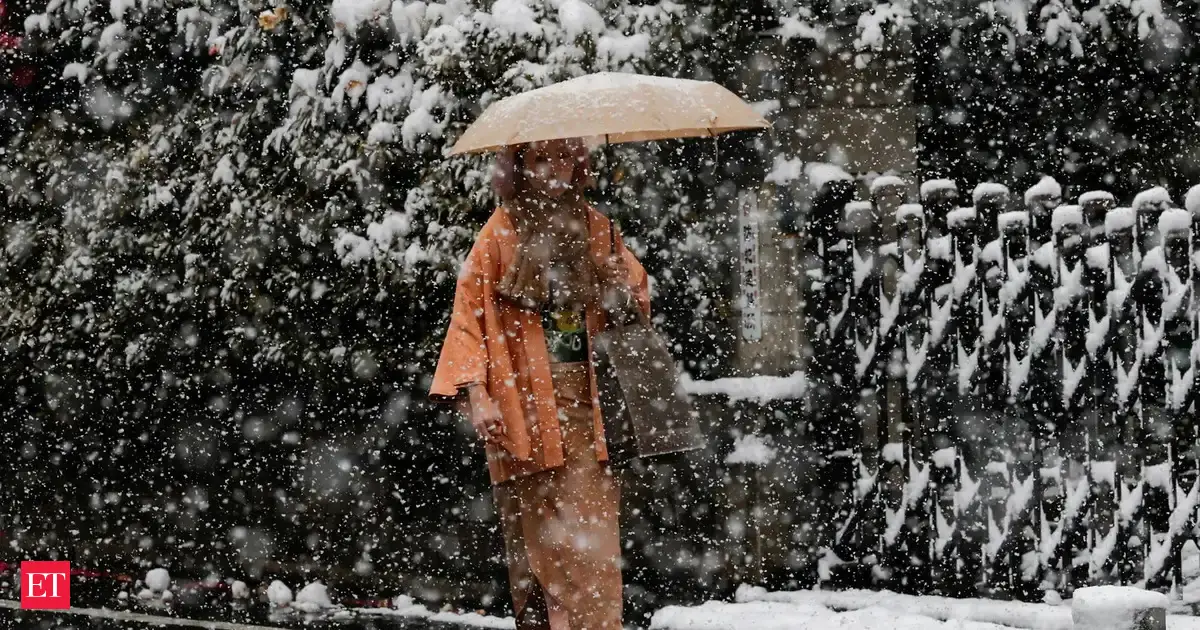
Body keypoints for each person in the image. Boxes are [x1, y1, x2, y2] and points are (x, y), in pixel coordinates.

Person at [430, 138, 650, 630]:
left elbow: (634, 309)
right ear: (520, 168)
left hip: (588, 407)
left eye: (566, 156)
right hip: (522, 404)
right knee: (535, 544)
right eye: (541, 159)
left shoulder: (599, 228)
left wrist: (617, 283)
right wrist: (478, 394)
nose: (555, 168)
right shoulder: (501, 231)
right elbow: (468, 313)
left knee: (593, 547)